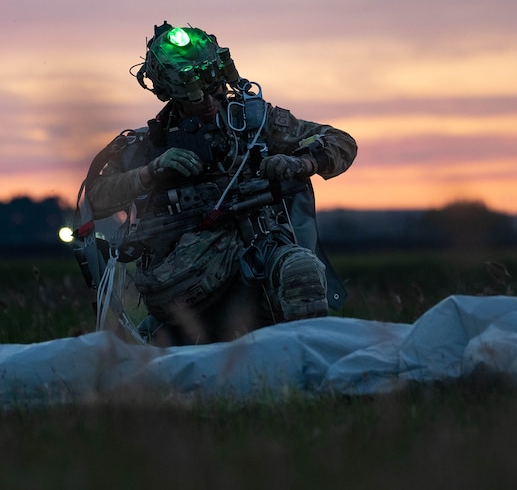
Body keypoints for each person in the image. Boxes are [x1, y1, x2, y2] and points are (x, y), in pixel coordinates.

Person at [72, 22, 357, 346]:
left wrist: (303, 163)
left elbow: (340, 141)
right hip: (184, 282)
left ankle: (309, 367)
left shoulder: (252, 122)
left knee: (301, 268)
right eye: (195, 95)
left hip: (259, 257)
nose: (208, 101)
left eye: (214, 88)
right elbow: (96, 198)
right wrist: (148, 173)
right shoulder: (149, 144)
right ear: (170, 93)